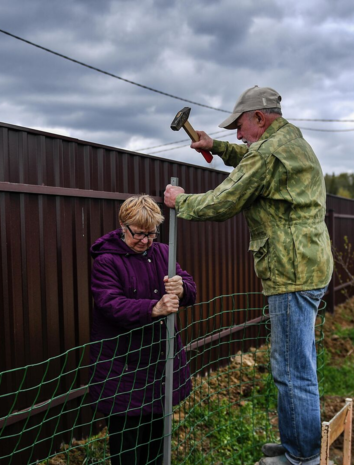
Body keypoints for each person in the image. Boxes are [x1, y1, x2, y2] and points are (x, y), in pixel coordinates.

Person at [164, 86, 333, 465]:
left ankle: (302, 457)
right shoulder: (288, 140)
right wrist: (217, 147)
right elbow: (251, 160)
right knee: (296, 364)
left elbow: (227, 199)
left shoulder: (269, 152)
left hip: (291, 271)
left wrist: (182, 201)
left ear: (260, 117)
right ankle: (296, 444)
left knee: (291, 369)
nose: (237, 135)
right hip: (307, 265)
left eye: (239, 127)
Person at [89, 195, 196, 465]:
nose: (146, 241)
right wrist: (153, 308)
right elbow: (109, 303)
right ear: (123, 227)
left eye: (151, 234)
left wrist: (182, 288)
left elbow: (188, 283)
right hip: (122, 368)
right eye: (139, 234)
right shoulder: (106, 261)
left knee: (156, 444)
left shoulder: (162, 253)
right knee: (127, 448)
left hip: (158, 365)